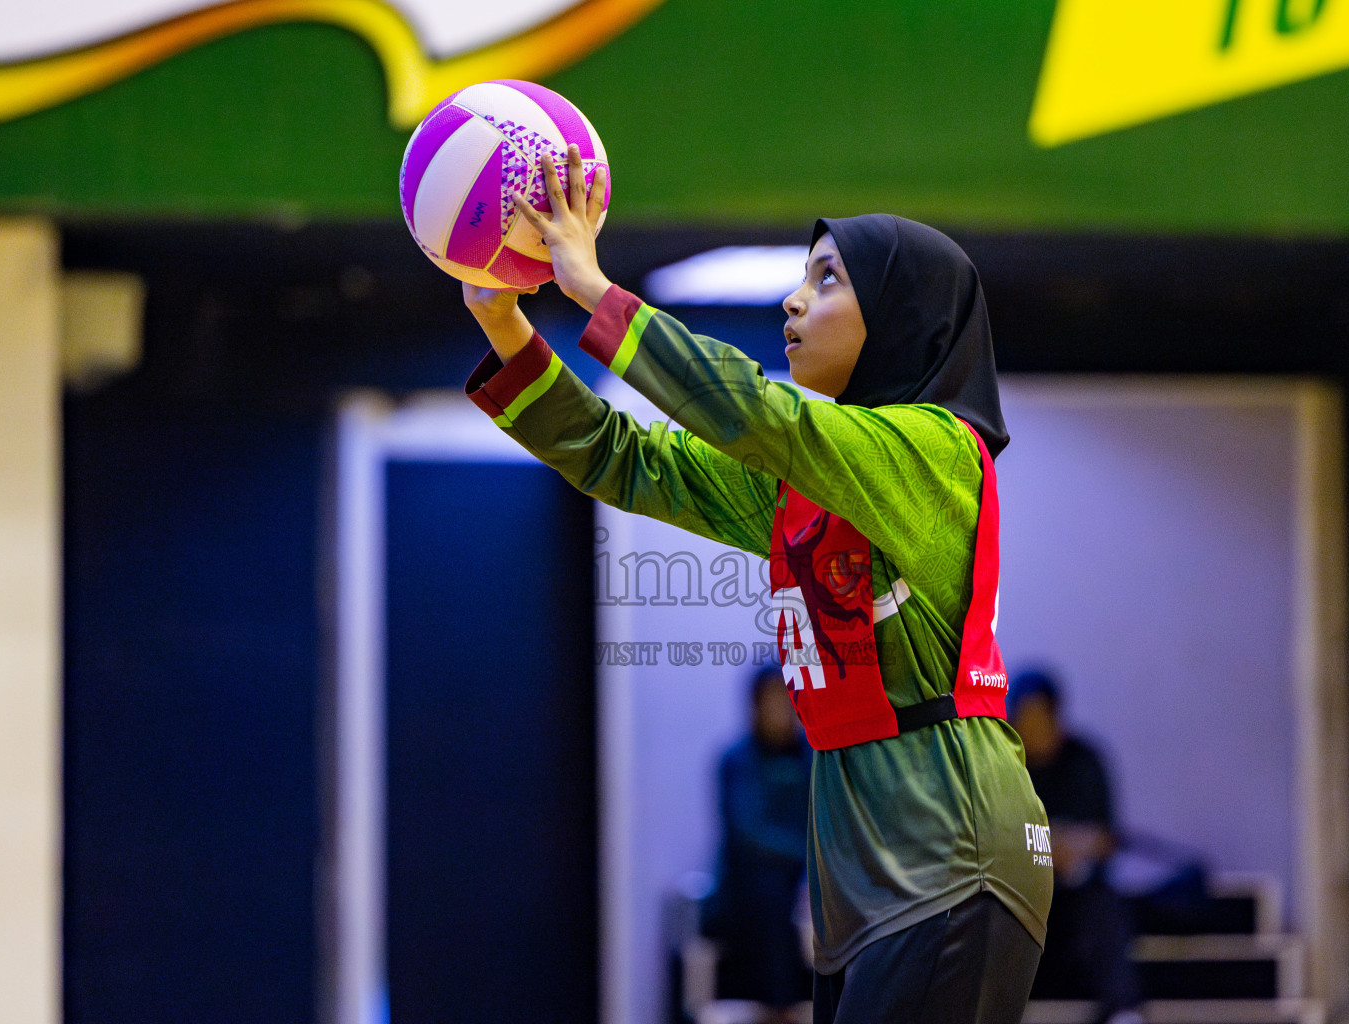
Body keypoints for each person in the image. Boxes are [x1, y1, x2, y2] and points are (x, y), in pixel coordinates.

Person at [462, 145, 1052, 1024]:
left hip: (950, 850)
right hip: (873, 866)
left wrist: (591, 287)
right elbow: (624, 458)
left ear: (902, 316)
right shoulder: (809, 484)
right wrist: (504, 320)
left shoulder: (936, 451)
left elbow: (754, 413)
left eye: (825, 280)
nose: (793, 300)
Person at [1007, 670, 1142, 1024]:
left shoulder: (1084, 760)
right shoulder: (1003, 767)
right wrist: (1049, 845)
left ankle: (1124, 1012)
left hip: (1075, 904)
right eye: (1026, 717)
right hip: (1021, 903)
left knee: (1101, 905)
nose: (1034, 728)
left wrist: (1057, 845)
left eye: (1041, 717)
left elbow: (1104, 839)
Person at [701, 667, 814, 1023]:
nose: (781, 709)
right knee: (770, 888)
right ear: (754, 705)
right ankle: (778, 1008)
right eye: (772, 699)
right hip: (749, 889)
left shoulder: (815, 757)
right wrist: (806, 856)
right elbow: (749, 833)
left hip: (805, 884)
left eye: (787, 698)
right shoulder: (736, 760)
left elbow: (829, 822)